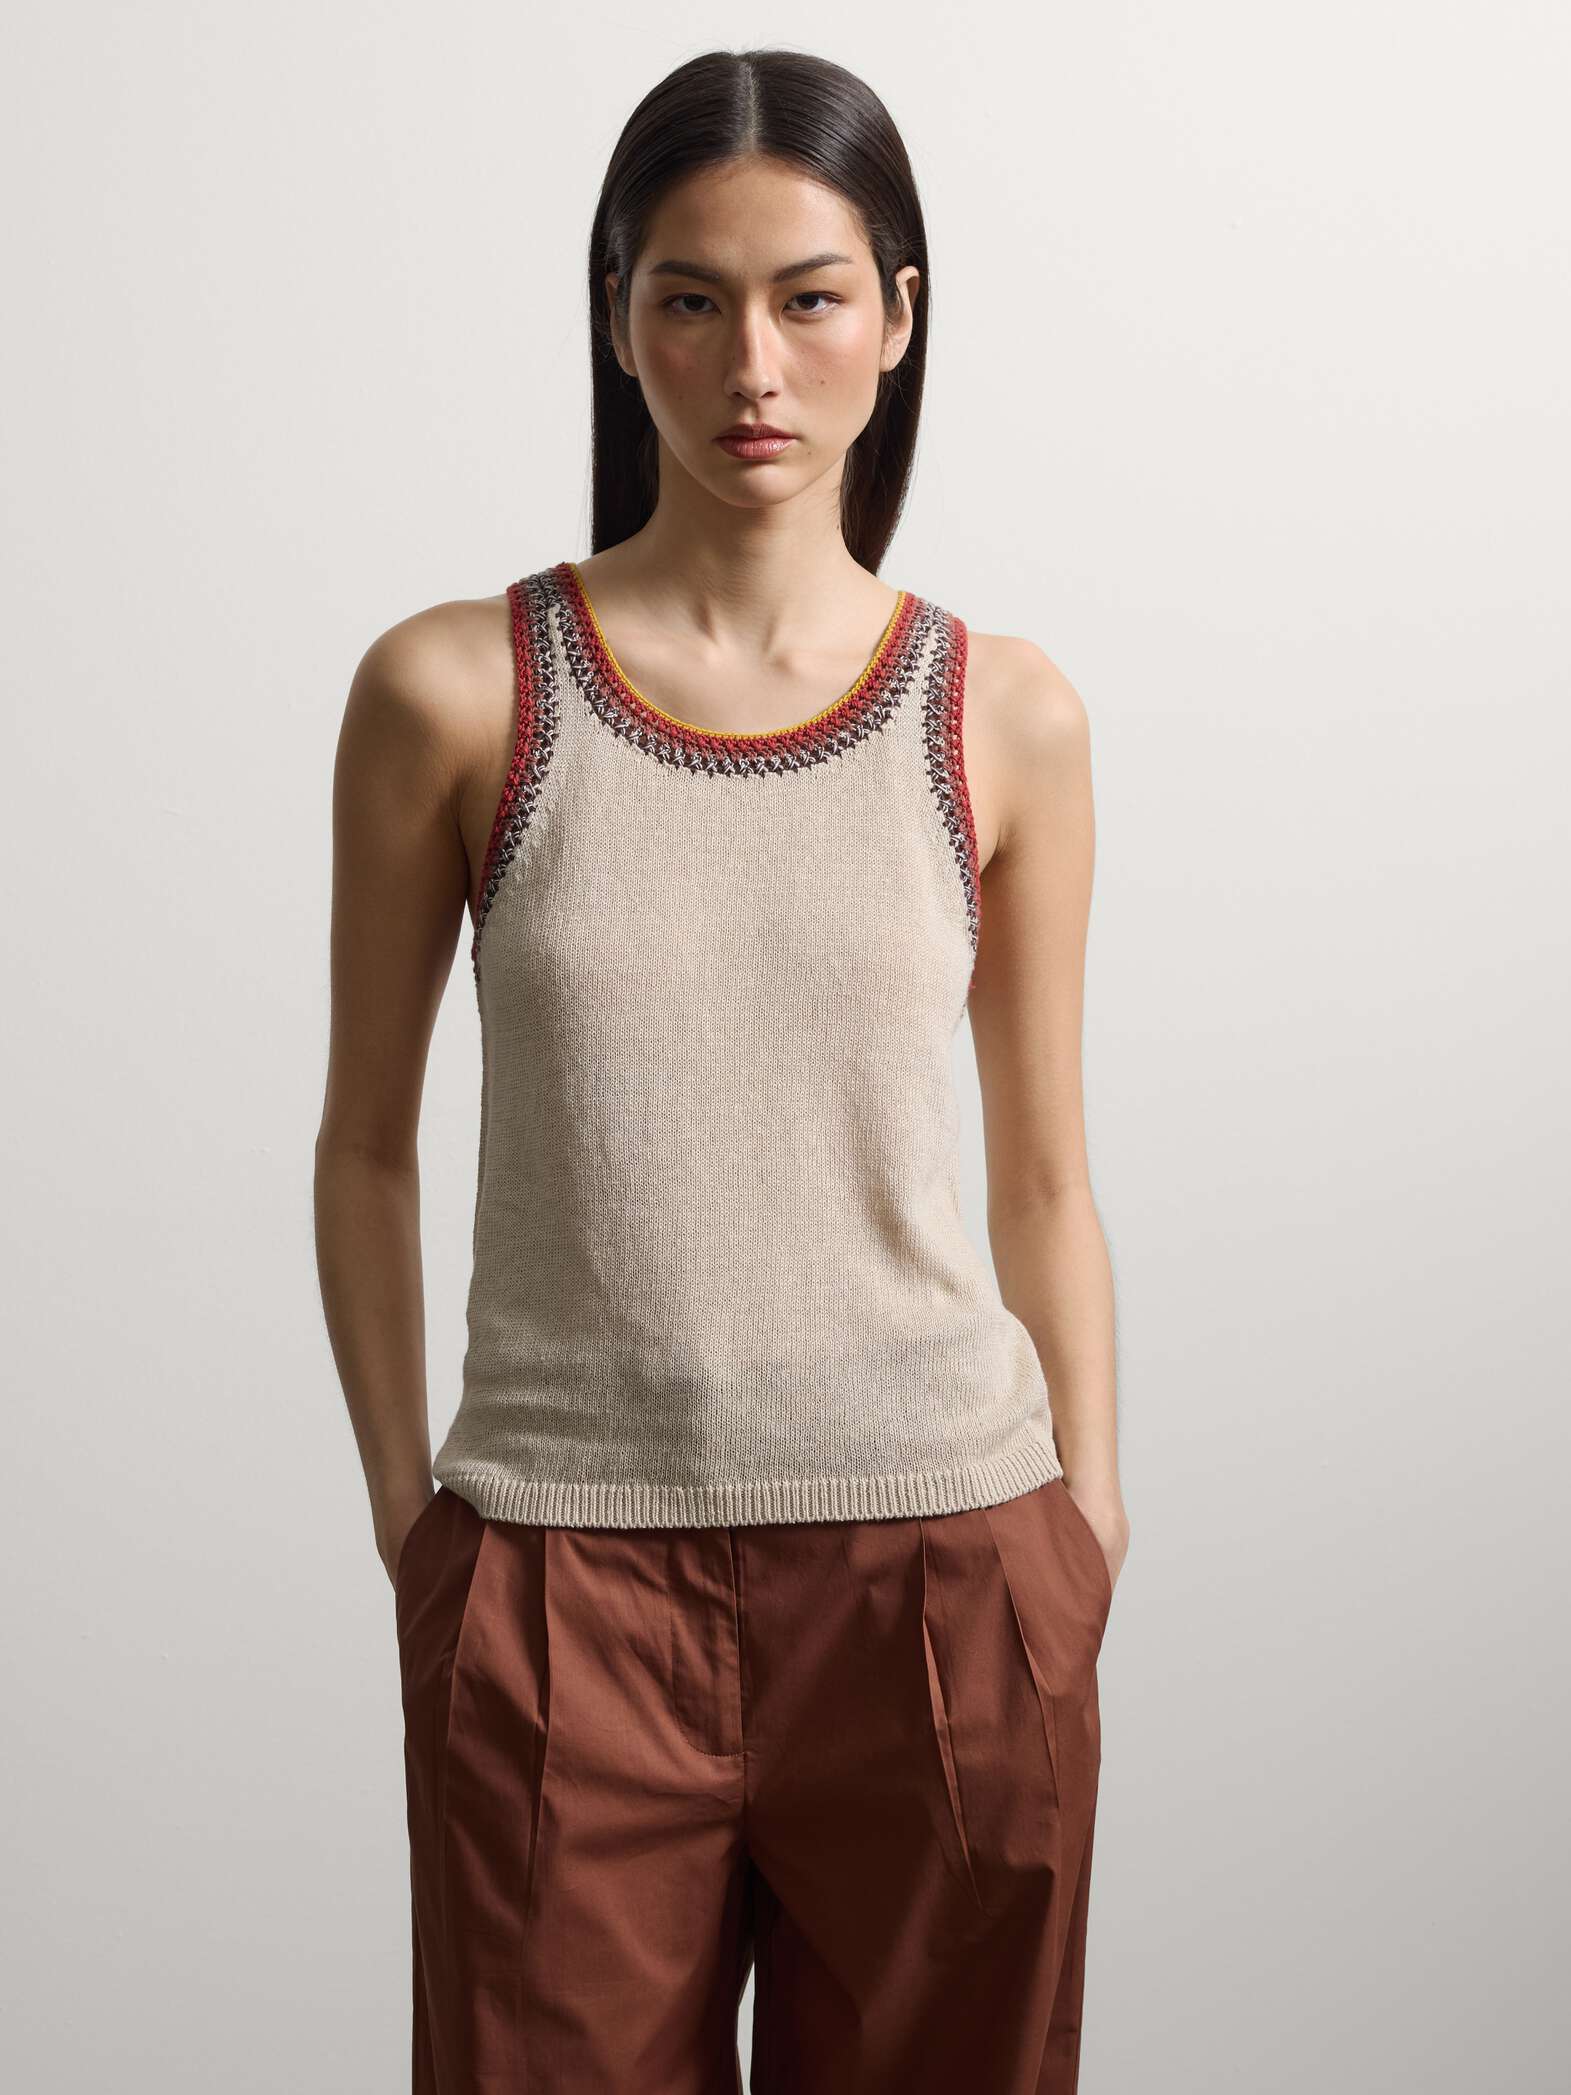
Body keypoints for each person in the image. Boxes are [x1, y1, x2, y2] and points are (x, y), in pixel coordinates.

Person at [314, 44, 1129, 2095]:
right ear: (618, 321)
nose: (753, 363)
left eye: (809, 297)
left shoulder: (1003, 714)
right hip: (560, 1588)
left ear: (898, 317)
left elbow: (1045, 1171)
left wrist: (1087, 1531)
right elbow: (363, 1144)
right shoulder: (457, 692)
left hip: (944, 1575)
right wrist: (421, 1530)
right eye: (691, 299)